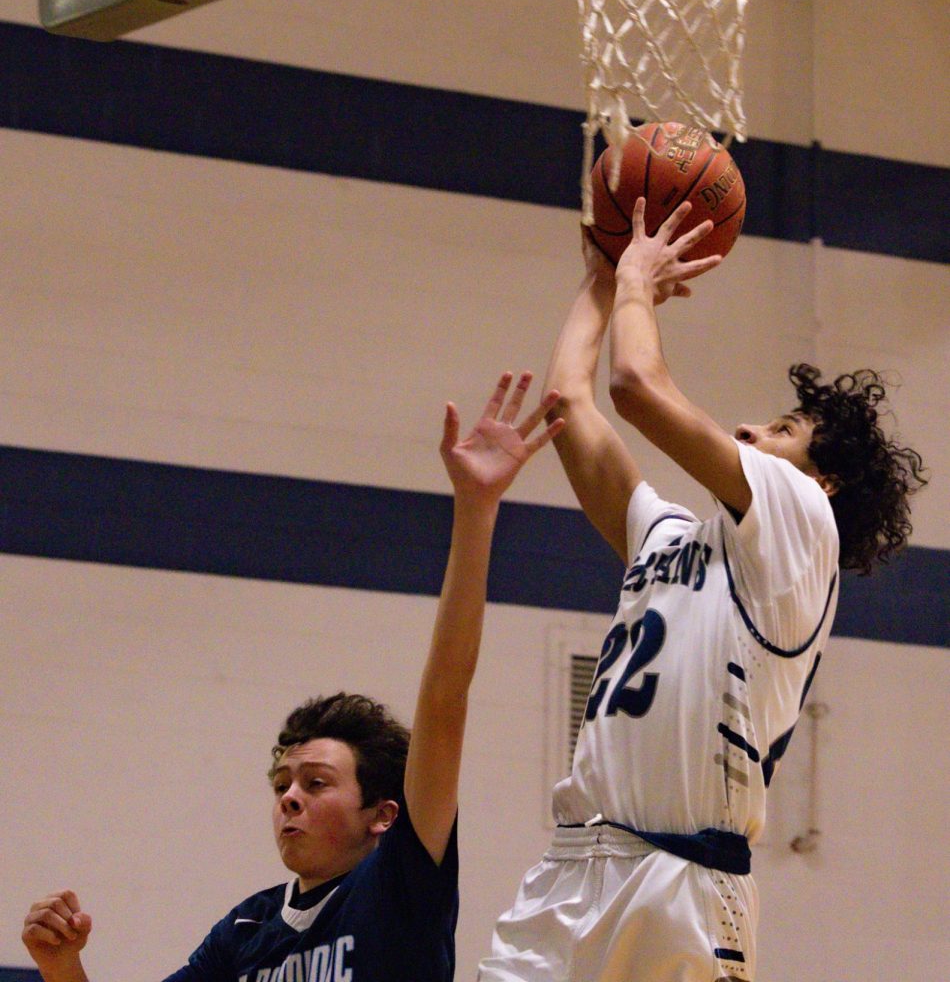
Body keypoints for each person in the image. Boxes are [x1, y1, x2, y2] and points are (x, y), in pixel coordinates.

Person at [478, 199, 927, 982]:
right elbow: (569, 406)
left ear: (826, 480)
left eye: (782, 431)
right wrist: (599, 279)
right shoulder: (669, 534)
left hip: (680, 882)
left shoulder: (804, 520)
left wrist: (639, 288)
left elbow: (634, 384)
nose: (750, 431)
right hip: (573, 866)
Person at [23, 371, 565, 982]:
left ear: (382, 815)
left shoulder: (398, 887)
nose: (288, 797)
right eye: (284, 782)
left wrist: (476, 508)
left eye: (315, 782)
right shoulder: (246, 930)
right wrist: (62, 965)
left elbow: (445, 702)